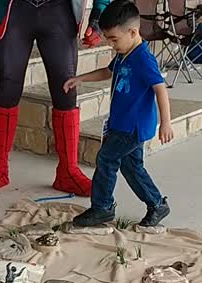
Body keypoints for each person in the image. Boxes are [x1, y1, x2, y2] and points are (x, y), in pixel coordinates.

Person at [0, 0, 111, 197]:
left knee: (66, 88)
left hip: (58, 11)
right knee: (8, 86)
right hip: (14, 10)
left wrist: (99, 17)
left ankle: (68, 171)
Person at [63, 0, 174, 227]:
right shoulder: (125, 54)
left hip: (132, 127)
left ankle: (102, 207)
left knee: (106, 159)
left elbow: (160, 88)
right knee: (131, 166)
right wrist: (80, 78)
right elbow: (107, 71)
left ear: (133, 32)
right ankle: (157, 204)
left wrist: (166, 123)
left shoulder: (143, 59)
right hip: (120, 123)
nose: (112, 44)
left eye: (114, 39)